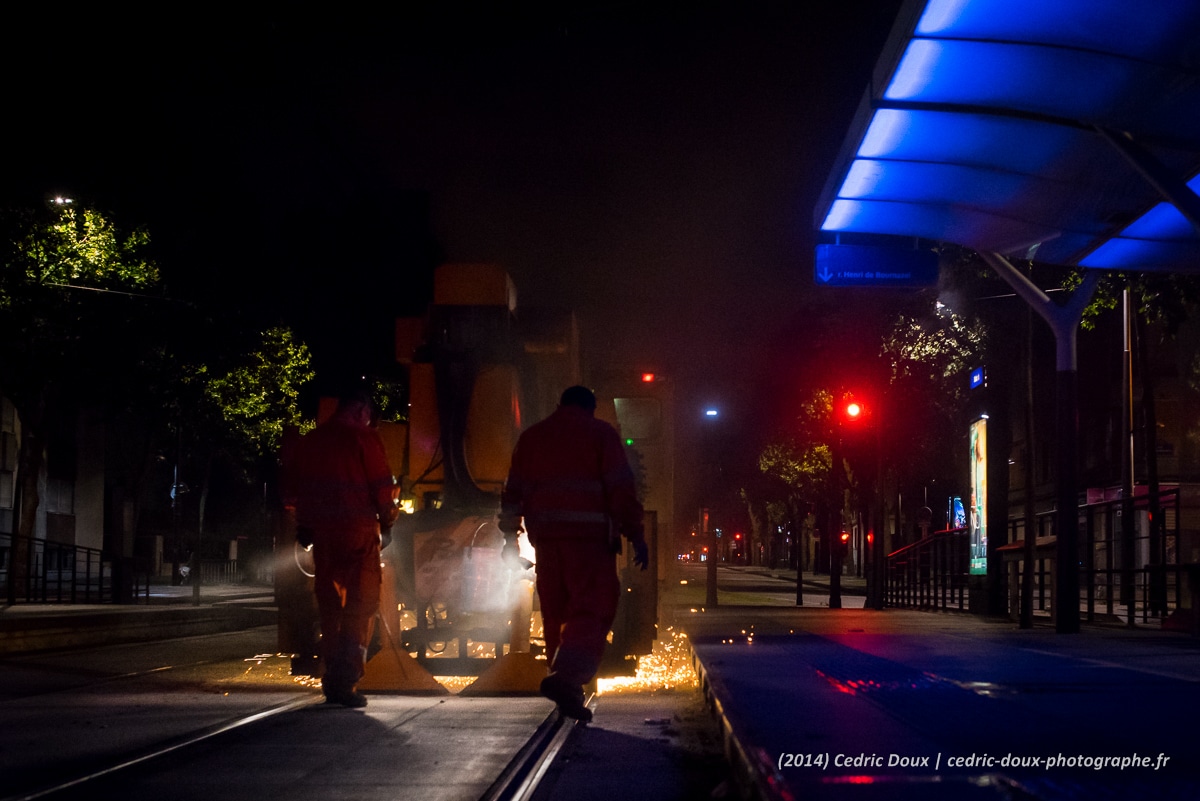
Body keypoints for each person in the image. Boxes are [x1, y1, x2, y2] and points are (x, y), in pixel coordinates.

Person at [499, 385, 648, 722]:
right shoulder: (601, 435)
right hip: (590, 543)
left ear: (559, 404)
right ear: (591, 408)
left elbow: (512, 494)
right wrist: (636, 535)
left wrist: (510, 538)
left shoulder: (533, 437)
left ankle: (566, 692)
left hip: (547, 543)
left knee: (556, 615)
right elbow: (621, 490)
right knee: (591, 611)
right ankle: (566, 679)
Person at [286, 386, 398, 707]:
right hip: (358, 535)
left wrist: (305, 527)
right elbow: (383, 489)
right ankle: (345, 681)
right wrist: (388, 524)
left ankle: (330, 677)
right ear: (362, 410)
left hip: (323, 538)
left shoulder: (312, 442)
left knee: (330, 609)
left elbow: (294, 492)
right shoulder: (365, 439)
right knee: (360, 608)